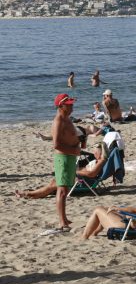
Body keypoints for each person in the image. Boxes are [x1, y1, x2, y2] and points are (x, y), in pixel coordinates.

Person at [51, 94, 80, 231]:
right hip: (63, 158)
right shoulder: (59, 121)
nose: (72, 106)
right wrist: (74, 151)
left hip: (69, 157)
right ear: (61, 106)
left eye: (71, 103)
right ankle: (62, 222)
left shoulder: (66, 118)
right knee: (62, 190)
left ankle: (64, 218)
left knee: (65, 189)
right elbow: (56, 144)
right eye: (69, 104)